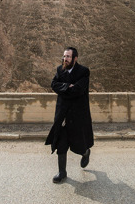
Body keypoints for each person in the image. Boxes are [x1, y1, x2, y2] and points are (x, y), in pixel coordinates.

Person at [45, 47, 94, 183]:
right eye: (64, 56)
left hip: (77, 115)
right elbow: (54, 84)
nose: (65, 59)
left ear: (75, 59)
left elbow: (78, 90)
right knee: (61, 143)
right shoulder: (60, 70)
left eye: (68, 56)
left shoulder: (83, 72)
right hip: (62, 114)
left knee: (80, 145)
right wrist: (68, 86)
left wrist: (64, 89)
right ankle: (62, 172)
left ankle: (86, 152)